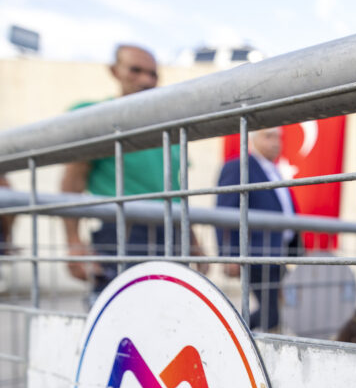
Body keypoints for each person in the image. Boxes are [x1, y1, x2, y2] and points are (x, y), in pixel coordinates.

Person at [60, 44, 205, 302]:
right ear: (115, 71)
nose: (146, 80)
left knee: (170, 314)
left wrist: (193, 242)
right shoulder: (96, 116)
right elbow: (73, 181)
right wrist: (73, 242)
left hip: (169, 232)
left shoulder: (169, 131)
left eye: (152, 74)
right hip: (120, 233)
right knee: (119, 318)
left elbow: (177, 191)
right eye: (135, 70)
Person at [216, 126, 299, 331]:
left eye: (278, 137)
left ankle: (241, 336)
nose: (275, 142)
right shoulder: (239, 167)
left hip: (278, 253)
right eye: (268, 136)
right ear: (252, 140)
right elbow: (224, 213)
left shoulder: (275, 171)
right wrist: (229, 255)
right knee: (270, 314)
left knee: (278, 309)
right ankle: (232, 334)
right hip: (255, 252)